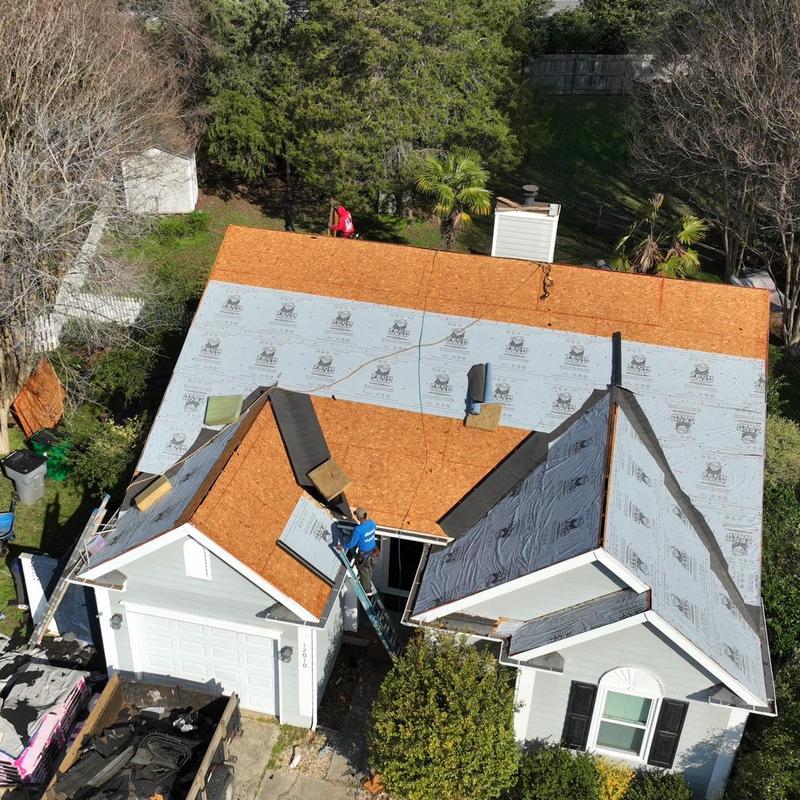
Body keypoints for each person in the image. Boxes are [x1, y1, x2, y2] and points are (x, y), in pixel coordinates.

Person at [339, 508, 379, 595]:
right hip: (373, 551)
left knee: (363, 570)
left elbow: (351, 544)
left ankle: (367, 590)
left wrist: (342, 545)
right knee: (369, 568)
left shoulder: (358, 530)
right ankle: (368, 582)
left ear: (359, 517)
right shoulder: (372, 523)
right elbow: (366, 532)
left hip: (364, 554)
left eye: (356, 515)